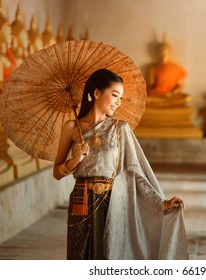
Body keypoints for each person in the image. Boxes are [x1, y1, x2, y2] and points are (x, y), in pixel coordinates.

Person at [53, 68, 188, 260]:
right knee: (80, 258)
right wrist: (75, 160)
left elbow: (136, 172)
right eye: (115, 95)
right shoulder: (71, 127)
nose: (118, 102)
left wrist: (161, 203)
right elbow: (57, 172)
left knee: (109, 255)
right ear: (97, 93)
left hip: (112, 202)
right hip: (80, 201)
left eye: (121, 98)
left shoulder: (120, 129)